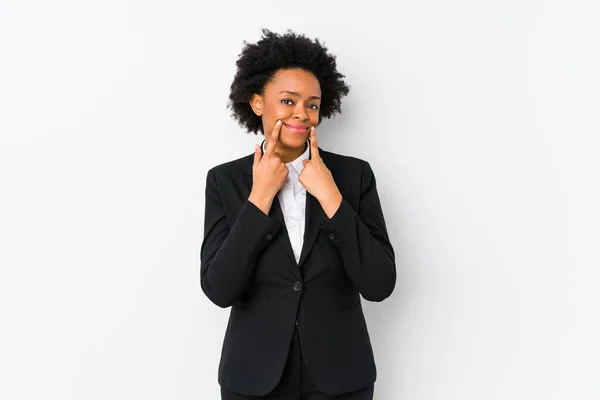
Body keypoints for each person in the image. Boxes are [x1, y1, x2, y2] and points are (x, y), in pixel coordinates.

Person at [200, 29, 396, 400]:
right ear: (257, 102)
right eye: (288, 100)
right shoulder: (224, 181)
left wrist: (331, 196)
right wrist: (258, 198)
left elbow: (379, 284)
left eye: (312, 104)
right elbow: (219, 288)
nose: (301, 114)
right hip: (253, 378)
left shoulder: (353, 177)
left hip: (341, 377)